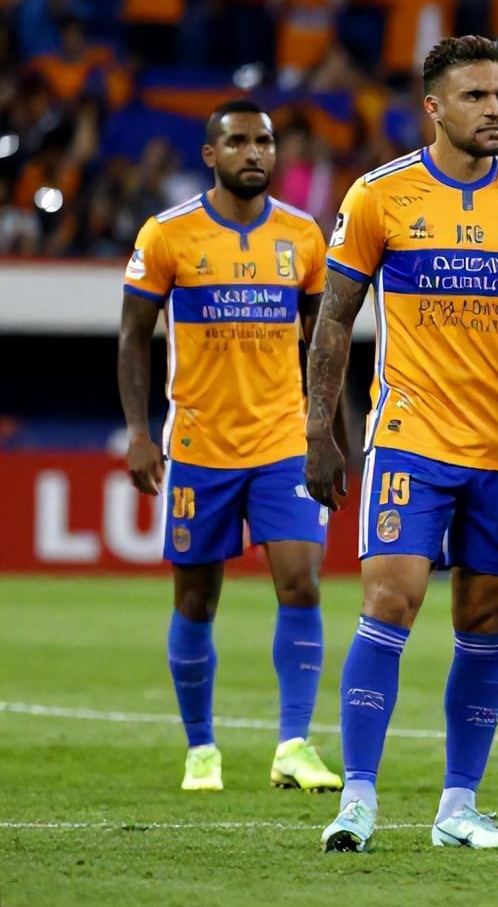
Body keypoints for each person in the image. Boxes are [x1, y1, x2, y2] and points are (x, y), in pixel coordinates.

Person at [303, 36, 498, 853]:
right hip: (410, 437)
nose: (495, 109)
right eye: (475, 96)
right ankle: (358, 799)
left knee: (485, 620)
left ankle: (458, 807)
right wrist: (319, 428)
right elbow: (334, 319)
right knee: (389, 602)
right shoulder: (379, 195)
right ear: (433, 107)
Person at [118, 99, 343, 795]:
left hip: (283, 440)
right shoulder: (168, 234)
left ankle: (294, 745)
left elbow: (326, 343)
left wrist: (330, 432)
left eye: (265, 142)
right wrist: (137, 432)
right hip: (200, 443)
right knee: (196, 598)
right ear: (211, 155)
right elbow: (132, 338)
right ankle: (201, 749)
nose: (255, 153)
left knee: (301, 582)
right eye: (240, 142)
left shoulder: (302, 235)